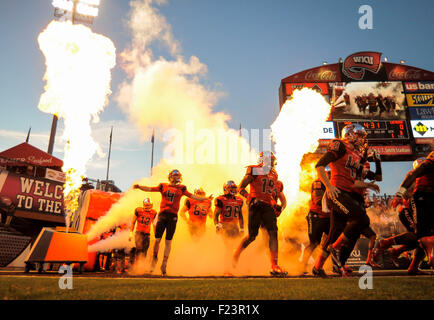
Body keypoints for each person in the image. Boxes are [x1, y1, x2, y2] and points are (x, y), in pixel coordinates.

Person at [312, 124, 377, 278]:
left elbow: (360, 180)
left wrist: (369, 182)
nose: (362, 139)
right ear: (350, 134)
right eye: (359, 135)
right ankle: (335, 248)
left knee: (335, 233)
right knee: (361, 219)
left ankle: (317, 267)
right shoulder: (340, 145)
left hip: (347, 193)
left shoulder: (356, 154)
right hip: (337, 192)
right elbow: (320, 165)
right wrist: (328, 186)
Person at [133, 169, 211, 276]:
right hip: (163, 215)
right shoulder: (163, 186)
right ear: (170, 177)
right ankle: (154, 260)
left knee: (168, 242)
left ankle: (164, 263)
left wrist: (204, 198)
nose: (177, 177)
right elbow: (150, 189)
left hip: (172, 216)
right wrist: (140, 187)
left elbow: (192, 196)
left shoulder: (182, 188)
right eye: (175, 176)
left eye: (178, 176)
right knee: (157, 240)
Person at [232, 151, 287, 276]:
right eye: (270, 159)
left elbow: (270, 192)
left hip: (267, 206)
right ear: (263, 159)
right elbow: (241, 187)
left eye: (273, 160)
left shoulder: (274, 174)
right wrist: (250, 198)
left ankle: (275, 265)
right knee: (252, 236)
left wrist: (275, 205)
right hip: (256, 206)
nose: (272, 162)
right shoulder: (255, 170)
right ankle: (236, 254)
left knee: (273, 233)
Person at [391, 152, 434, 270]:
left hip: (422, 204)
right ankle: (387, 246)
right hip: (410, 208)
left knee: (422, 236)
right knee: (420, 235)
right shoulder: (416, 175)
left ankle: (410, 262)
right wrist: (399, 195)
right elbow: (409, 194)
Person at [300, 169, 333, 274]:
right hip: (316, 216)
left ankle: (335, 265)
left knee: (333, 240)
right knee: (314, 243)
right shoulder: (318, 182)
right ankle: (302, 266)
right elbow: (318, 200)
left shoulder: (334, 185)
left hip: (327, 216)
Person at [214, 180, 244, 276]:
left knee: (236, 248)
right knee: (228, 248)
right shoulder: (220, 199)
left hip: (234, 227)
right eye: (231, 188)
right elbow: (216, 215)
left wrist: (242, 228)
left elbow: (240, 215)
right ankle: (226, 269)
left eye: (234, 188)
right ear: (225, 189)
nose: (233, 190)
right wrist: (217, 225)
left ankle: (234, 267)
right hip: (225, 225)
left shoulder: (239, 200)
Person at [129, 198, 157, 267]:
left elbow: (154, 224)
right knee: (139, 249)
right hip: (139, 233)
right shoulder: (138, 210)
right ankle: (135, 265)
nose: (148, 207)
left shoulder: (153, 212)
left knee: (145, 251)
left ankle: (141, 266)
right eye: (147, 205)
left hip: (147, 234)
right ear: (144, 205)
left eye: (149, 205)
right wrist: (130, 233)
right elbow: (133, 222)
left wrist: (155, 235)